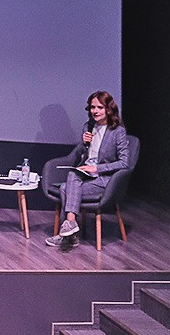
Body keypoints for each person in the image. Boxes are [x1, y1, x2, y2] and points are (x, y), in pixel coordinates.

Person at [46, 91, 130, 249]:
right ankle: (70, 227)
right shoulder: (89, 126)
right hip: (86, 175)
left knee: (65, 188)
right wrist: (83, 143)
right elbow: (78, 154)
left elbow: (124, 163)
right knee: (73, 175)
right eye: (92, 107)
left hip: (105, 179)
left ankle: (69, 234)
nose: (95, 111)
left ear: (108, 109)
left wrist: (96, 168)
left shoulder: (117, 131)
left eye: (100, 107)